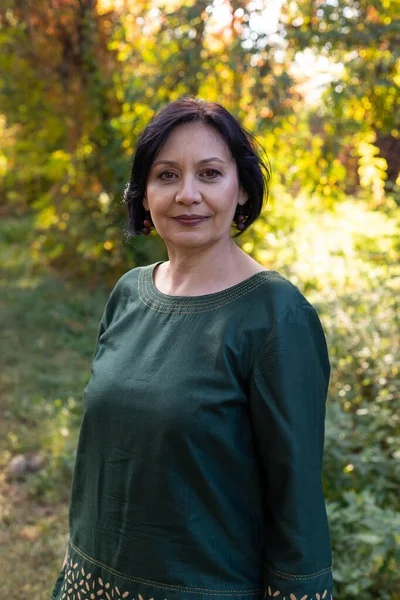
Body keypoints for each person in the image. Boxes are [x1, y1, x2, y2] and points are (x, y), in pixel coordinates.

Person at [51, 97, 333, 600]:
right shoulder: (128, 294)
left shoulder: (276, 315)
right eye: (166, 176)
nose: (187, 195)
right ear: (143, 194)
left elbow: (297, 505)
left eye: (209, 173)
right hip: (91, 583)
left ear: (241, 189)